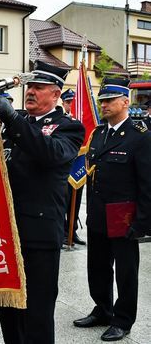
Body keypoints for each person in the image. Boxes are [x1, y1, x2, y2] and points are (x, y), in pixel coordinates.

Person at [0, 60, 85, 343]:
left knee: (37, 312)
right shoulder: (16, 123)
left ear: (56, 94)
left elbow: (50, 154)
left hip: (39, 233)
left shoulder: (69, 127)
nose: (31, 92)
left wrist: (13, 121)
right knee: (9, 308)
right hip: (5, 232)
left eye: (39, 88)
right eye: (29, 87)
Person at [73, 78, 151, 341]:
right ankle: (103, 309)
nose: (103, 104)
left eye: (109, 100)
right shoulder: (97, 134)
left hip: (124, 217)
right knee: (97, 267)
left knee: (126, 271)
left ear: (125, 102)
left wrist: (141, 222)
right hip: (97, 214)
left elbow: (147, 184)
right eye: (102, 100)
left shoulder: (141, 136)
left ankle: (123, 319)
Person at [60, 88, 86, 246]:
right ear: (63, 103)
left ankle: (72, 230)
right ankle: (63, 231)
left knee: (75, 203)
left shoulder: (82, 120)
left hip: (78, 166)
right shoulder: (60, 121)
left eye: (73, 101)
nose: (71, 104)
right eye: (68, 102)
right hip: (64, 168)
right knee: (63, 201)